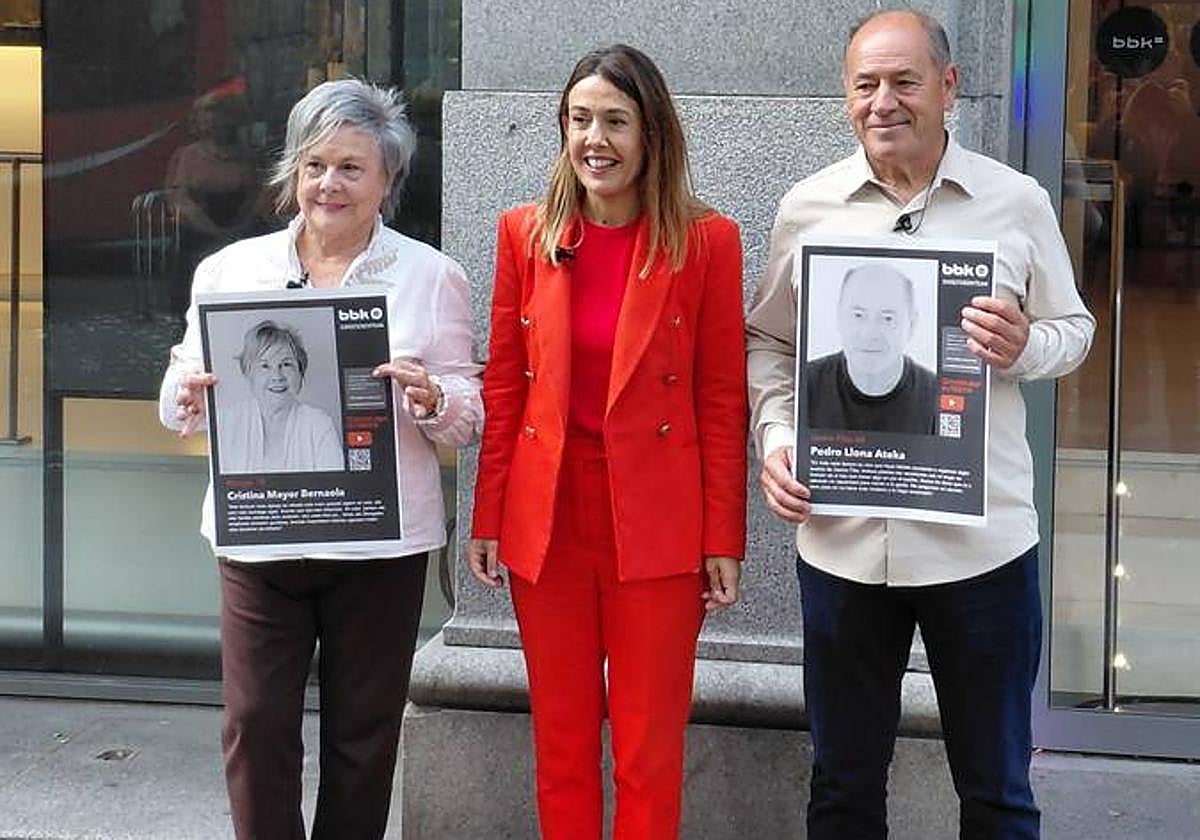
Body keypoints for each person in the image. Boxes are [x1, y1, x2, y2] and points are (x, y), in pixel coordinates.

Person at [746, 10, 1095, 839]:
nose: (883, 102)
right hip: (843, 542)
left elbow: (1073, 330)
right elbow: (769, 339)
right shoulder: (809, 209)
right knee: (842, 786)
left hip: (980, 544)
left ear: (948, 87)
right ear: (845, 97)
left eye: (904, 82)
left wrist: (1021, 348)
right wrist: (777, 439)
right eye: (865, 84)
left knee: (999, 789)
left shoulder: (1015, 202)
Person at [158, 78, 482, 839]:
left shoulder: (430, 277)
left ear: (388, 179)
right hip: (262, 534)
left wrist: (435, 398)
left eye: (350, 167)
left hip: (379, 541)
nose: (329, 184)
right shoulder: (230, 271)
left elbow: (470, 416)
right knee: (255, 725)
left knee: (363, 738)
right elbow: (179, 385)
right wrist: (189, 396)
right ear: (291, 172)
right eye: (315, 165)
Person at [467, 44, 747, 840]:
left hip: (656, 523)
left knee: (647, 751)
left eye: (616, 121)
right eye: (580, 119)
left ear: (652, 134)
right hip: (548, 522)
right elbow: (505, 385)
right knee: (560, 745)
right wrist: (489, 516)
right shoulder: (525, 234)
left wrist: (722, 533)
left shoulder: (707, 242)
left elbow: (721, 398)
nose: (596, 138)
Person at [807, 262, 937, 434]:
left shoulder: (938, 396)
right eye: (858, 315)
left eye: (887, 318)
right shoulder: (806, 384)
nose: (870, 333)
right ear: (839, 317)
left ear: (911, 324)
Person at [217, 319, 344, 473]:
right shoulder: (228, 421)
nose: (277, 376)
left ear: (300, 371)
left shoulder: (318, 424)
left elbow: (334, 489)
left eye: (286, 364)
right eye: (265, 366)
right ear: (248, 372)